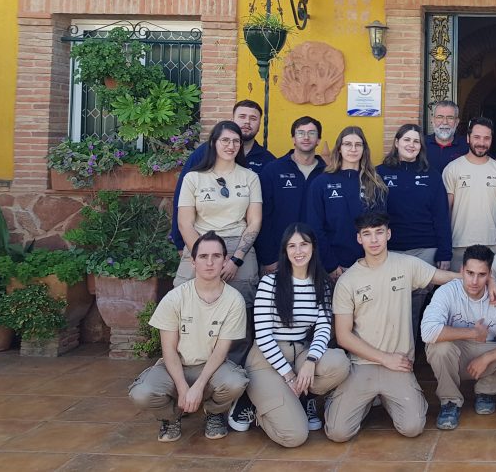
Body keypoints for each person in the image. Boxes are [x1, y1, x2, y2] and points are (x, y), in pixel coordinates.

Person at [324, 212, 496, 442]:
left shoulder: (406, 265)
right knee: (338, 433)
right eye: (367, 234)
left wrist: (492, 280)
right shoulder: (348, 280)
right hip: (362, 365)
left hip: (399, 364)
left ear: (389, 234)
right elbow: (343, 336)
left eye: (379, 232)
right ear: (359, 239)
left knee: (413, 427)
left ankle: (383, 396)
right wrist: (384, 358)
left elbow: (452, 276)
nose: (374, 240)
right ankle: (351, 399)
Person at [230, 224, 351, 446]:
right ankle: (253, 403)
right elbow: (264, 336)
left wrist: (311, 361)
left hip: (301, 353)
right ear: (285, 251)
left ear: (313, 248)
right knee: (295, 436)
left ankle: (303, 398)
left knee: (339, 363)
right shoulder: (270, 282)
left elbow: (324, 327)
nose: (298, 251)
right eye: (292, 246)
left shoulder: (321, 283)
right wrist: (289, 376)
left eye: (304, 244)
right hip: (266, 360)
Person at [129, 232, 248, 443]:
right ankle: (171, 417)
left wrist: (200, 385)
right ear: (193, 262)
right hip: (175, 366)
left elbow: (221, 351)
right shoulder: (175, 298)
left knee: (235, 382)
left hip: (211, 368)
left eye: (216, 256)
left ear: (225, 260)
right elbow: (168, 350)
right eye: (203, 257)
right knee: (141, 393)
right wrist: (183, 388)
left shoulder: (234, 300)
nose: (209, 262)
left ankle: (214, 414)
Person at [421, 244, 496, 430]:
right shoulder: (447, 291)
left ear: (490, 275)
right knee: (438, 347)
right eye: (470, 273)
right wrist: (474, 333)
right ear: (461, 271)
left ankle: (485, 389)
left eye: (482, 275)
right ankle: (450, 401)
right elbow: (427, 331)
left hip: (488, 351)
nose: (474, 281)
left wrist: (486, 358)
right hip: (457, 352)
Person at [175, 121, 263, 306]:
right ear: (213, 143)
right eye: (225, 140)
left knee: (241, 305)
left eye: (235, 141)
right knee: (185, 302)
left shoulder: (250, 177)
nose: (231, 146)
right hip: (200, 243)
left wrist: (235, 260)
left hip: (237, 245)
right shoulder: (193, 177)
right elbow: (185, 223)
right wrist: (206, 257)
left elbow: (254, 222)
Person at [171, 100, 275, 250]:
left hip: (251, 245)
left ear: (260, 123)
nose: (247, 122)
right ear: (232, 119)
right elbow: (181, 199)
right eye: (242, 116)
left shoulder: (268, 161)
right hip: (202, 241)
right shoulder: (203, 153)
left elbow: (271, 209)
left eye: (253, 118)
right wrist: (181, 244)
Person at [378, 123, 454, 329]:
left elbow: (441, 216)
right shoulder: (380, 173)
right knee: (392, 303)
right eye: (406, 140)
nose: (411, 145)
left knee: (414, 305)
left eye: (416, 141)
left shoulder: (432, 175)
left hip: (425, 250)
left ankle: (409, 353)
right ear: (396, 142)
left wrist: (444, 254)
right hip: (390, 251)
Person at [307, 126, 387, 278]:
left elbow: (380, 227)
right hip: (333, 265)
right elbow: (315, 226)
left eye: (358, 145)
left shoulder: (375, 183)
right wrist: (330, 264)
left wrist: (372, 260)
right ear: (339, 149)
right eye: (347, 144)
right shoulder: (321, 182)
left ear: (364, 149)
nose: (353, 149)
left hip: (367, 264)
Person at [256, 116, 326, 274]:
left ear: (319, 139)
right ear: (293, 138)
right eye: (300, 133)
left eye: (311, 133)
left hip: (318, 260)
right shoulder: (273, 170)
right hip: (278, 258)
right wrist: (268, 258)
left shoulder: (327, 173)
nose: (306, 137)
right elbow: (263, 216)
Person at [443, 117, 496, 270]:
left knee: (489, 290)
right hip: (458, 246)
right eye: (477, 137)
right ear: (468, 138)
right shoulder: (453, 169)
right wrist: (445, 244)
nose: (482, 142)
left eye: (486, 138)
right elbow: (445, 209)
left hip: (491, 245)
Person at [425, 100, 469, 173]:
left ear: (457, 122)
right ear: (432, 120)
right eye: (440, 117)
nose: (445, 122)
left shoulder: (467, 145)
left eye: (450, 117)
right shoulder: (421, 144)